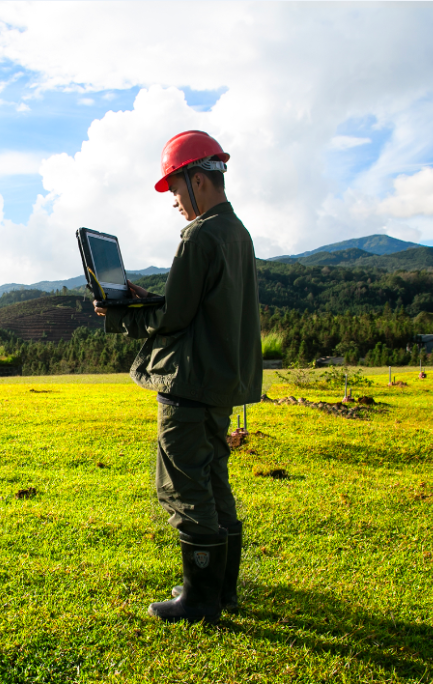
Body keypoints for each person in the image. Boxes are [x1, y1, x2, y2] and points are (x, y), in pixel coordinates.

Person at [94, 130, 262, 624]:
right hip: (220, 383)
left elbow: (174, 320)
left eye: (175, 189)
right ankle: (221, 591)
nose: (174, 202)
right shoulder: (237, 232)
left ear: (196, 180)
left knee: (184, 487)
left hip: (189, 384)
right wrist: (151, 300)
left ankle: (199, 601)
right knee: (213, 481)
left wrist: (122, 312)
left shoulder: (201, 234)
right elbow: (195, 307)